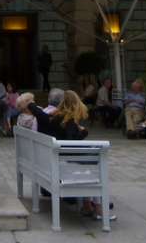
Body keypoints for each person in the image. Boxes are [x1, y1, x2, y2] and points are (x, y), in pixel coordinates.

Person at [27, 91, 112, 219]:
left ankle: (88, 207)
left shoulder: (47, 117)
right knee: (95, 173)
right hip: (61, 169)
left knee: (87, 169)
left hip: (46, 165)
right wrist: (84, 132)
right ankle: (99, 211)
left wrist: (32, 104)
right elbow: (72, 140)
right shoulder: (68, 121)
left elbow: (33, 108)